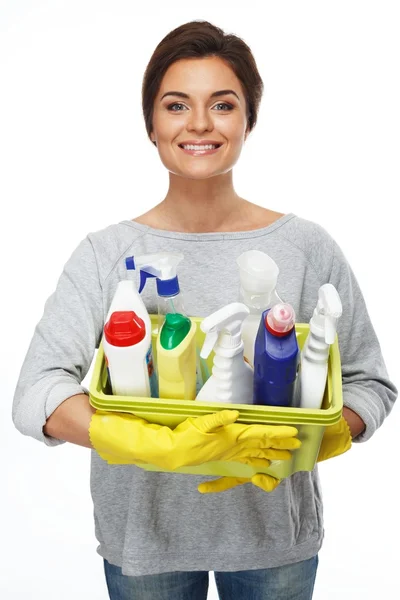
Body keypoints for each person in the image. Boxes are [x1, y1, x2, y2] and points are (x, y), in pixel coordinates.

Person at [12, 20, 397, 600]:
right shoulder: (106, 255)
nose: (198, 124)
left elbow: (369, 382)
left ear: (248, 121)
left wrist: (319, 438)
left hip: (274, 540)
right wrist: (141, 443)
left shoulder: (306, 247)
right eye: (176, 105)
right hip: (145, 542)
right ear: (151, 124)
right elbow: (36, 394)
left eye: (222, 104)